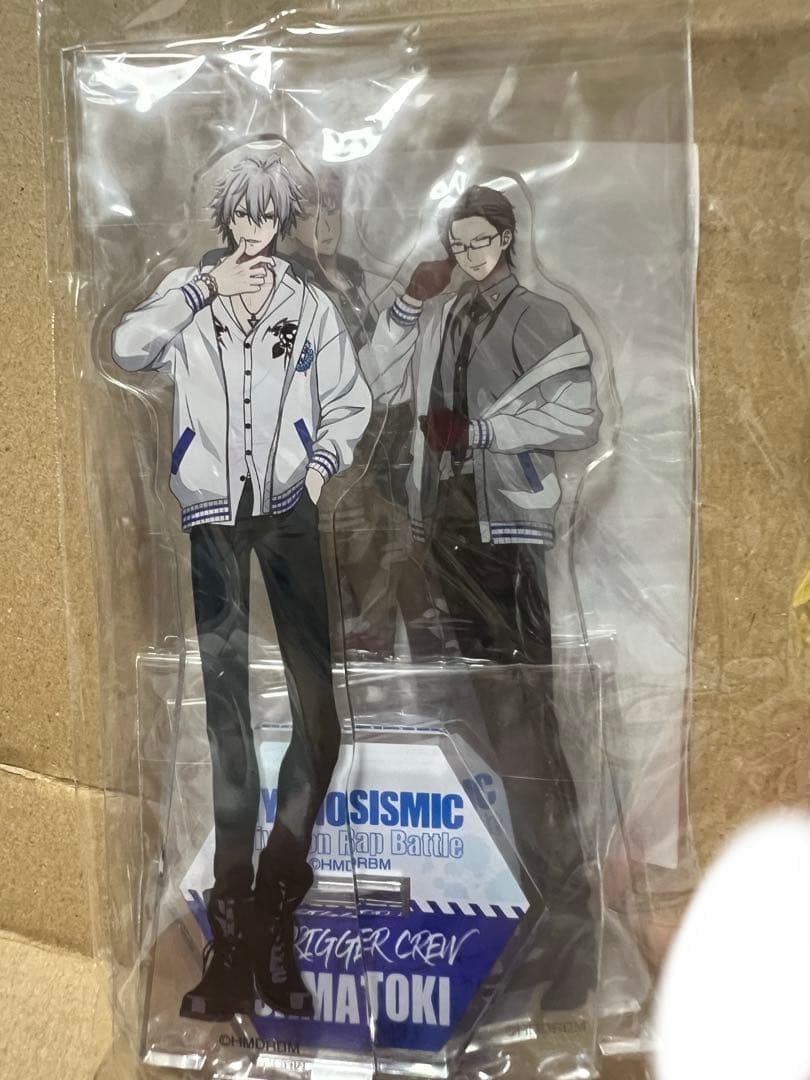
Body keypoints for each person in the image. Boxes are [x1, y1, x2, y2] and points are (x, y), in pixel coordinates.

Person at [112, 156, 371, 1022]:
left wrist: (318, 471)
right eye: (243, 215)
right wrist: (200, 291)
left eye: (269, 216)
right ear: (225, 217)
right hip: (213, 521)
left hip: (291, 515)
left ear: (283, 219)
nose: (256, 229)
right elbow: (126, 348)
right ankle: (233, 940)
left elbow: (350, 400)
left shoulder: (308, 303)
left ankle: (269, 912)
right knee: (228, 724)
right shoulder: (190, 292)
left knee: (318, 719)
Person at [371, 184, 602, 1008]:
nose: (468, 255)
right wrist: (407, 302)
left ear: (505, 237)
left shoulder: (539, 315)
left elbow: (580, 415)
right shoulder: (440, 317)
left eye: (480, 241)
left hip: (505, 537)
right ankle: (505, 907)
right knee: (462, 727)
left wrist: (483, 432)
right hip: (438, 534)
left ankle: (564, 923)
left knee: (525, 722)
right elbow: (371, 381)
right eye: (457, 243)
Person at [284, 167, 438, 660]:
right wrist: (409, 304)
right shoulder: (286, 288)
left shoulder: (353, 279)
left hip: (383, 452)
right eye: (308, 212)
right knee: (353, 583)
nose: (324, 223)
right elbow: (348, 377)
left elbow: (381, 377)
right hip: (333, 460)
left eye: (331, 207)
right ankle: (359, 672)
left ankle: (411, 668)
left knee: (400, 569)